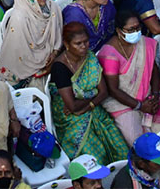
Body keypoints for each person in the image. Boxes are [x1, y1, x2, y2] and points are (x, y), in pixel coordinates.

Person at [99, 8, 160, 144]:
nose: (135, 32)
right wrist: (140, 105)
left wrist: (155, 95)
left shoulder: (144, 43)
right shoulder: (109, 53)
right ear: (119, 31)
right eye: (130, 30)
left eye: (138, 28)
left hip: (147, 92)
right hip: (122, 101)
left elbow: (154, 70)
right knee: (136, 138)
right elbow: (113, 90)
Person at [50, 22, 128, 164]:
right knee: (96, 157)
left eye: (86, 42)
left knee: (121, 149)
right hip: (71, 120)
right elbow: (72, 107)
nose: (84, 46)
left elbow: (104, 92)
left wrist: (87, 106)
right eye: (78, 43)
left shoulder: (90, 58)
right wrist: (93, 93)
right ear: (67, 44)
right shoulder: (60, 67)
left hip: (93, 110)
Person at [0, 0, 62, 86]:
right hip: (26, 64)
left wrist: (54, 53)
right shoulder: (19, 18)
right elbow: (18, 54)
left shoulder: (53, 8)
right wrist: (40, 61)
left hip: (49, 60)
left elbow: (57, 40)